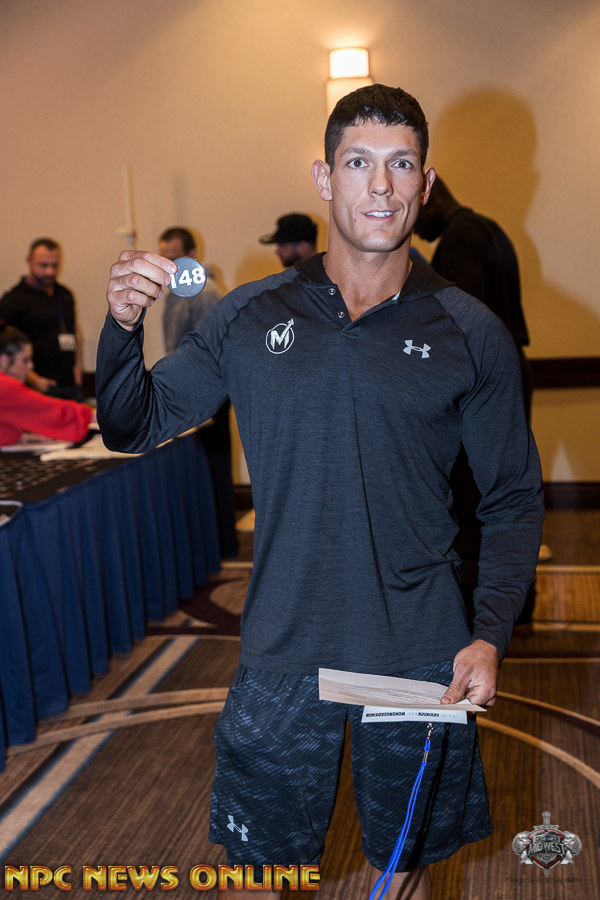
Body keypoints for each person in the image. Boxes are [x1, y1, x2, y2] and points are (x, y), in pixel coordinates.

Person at [96, 84, 544, 900]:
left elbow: (512, 499)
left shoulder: (470, 330)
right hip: (284, 645)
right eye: (359, 162)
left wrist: (490, 634)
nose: (381, 186)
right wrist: (121, 329)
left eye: (401, 164)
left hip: (416, 650)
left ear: (425, 183)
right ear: (324, 177)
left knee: (401, 867)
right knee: (267, 869)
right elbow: (134, 423)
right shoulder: (249, 315)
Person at [414, 177, 540, 626]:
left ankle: (479, 603)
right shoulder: (490, 228)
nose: (416, 228)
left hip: (481, 379)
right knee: (508, 488)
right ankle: (519, 599)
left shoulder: (460, 239)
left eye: (416, 213)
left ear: (431, 198)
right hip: (510, 368)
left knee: (471, 493)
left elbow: (458, 326)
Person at [159, 226, 238, 558]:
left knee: (211, 468)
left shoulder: (202, 291)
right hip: (191, 391)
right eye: (164, 257)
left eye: (175, 256)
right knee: (202, 469)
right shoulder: (179, 290)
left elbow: (211, 351)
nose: (169, 264)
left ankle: (219, 545)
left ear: (191, 255)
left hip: (207, 393)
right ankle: (210, 545)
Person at [0, 238, 84, 400]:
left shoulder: (65, 294)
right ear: (29, 261)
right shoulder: (13, 300)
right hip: (38, 386)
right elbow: (5, 347)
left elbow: (75, 330)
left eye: (55, 265)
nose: (50, 272)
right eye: (43, 265)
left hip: (70, 384)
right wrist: (33, 379)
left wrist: (78, 366)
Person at [0, 322, 92, 446]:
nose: (31, 366)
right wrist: (92, 415)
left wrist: (19, 436)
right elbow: (50, 411)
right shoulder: (4, 385)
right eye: (25, 360)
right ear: (5, 360)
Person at [159, 227, 224, 354]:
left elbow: (208, 348)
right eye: (164, 261)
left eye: (173, 259)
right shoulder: (174, 294)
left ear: (192, 255)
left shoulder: (205, 293)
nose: (168, 267)